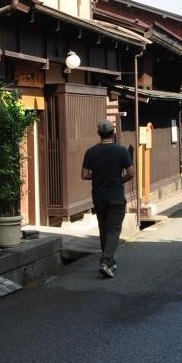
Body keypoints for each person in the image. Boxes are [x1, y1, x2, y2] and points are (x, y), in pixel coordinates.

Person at [81, 119, 134, 279]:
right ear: (113, 133)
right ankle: (105, 261)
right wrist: (119, 180)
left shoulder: (91, 152)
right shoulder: (121, 151)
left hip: (99, 195)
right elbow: (131, 173)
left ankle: (109, 261)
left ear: (99, 133)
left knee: (104, 228)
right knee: (114, 229)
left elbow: (84, 175)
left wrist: (98, 176)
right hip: (116, 195)